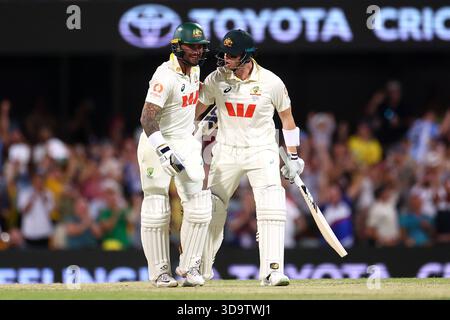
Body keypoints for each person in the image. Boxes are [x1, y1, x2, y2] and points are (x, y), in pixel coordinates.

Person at [196, 29, 304, 286]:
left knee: (272, 204)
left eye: (232, 55)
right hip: (226, 150)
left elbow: (286, 118)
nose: (225, 60)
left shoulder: (271, 82)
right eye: (224, 54)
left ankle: (272, 270)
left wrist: (293, 156)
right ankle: (200, 269)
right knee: (213, 208)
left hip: (262, 150)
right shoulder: (215, 79)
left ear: (247, 56)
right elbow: (195, 112)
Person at [137, 22, 212, 287]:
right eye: (192, 46)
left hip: (186, 141)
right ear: (177, 46)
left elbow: (190, 106)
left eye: (200, 46)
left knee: (201, 204)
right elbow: (147, 119)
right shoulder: (164, 75)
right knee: (157, 205)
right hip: (157, 143)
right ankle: (159, 273)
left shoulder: (195, 70)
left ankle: (190, 266)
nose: (197, 51)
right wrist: (164, 150)